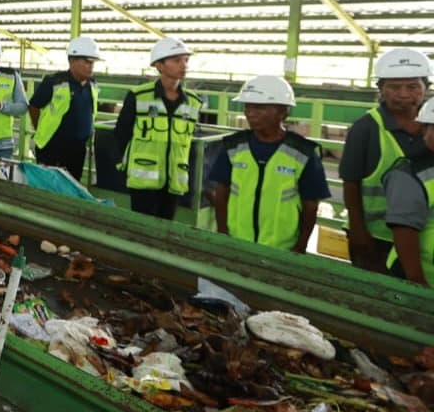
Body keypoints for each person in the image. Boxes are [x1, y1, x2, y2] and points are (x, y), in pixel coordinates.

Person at [209, 76, 330, 253]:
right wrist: (222, 232)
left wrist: (301, 246)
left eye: (259, 108)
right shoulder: (233, 146)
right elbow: (221, 193)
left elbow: (310, 206)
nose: (250, 113)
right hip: (236, 243)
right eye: (247, 107)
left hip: (282, 249)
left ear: (283, 112)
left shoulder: (303, 153)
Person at [341, 48, 431, 272]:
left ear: (426, 88)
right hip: (377, 237)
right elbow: (351, 184)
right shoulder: (366, 129)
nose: (403, 94)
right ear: (380, 89)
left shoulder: (431, 127)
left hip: (422, 235)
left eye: (412, 86)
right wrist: (359, 232)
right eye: (393, 87)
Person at [115, 37, 204, 220]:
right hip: (143, 179)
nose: (184, 65)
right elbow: (121, 133)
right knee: (142, 228)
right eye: (177, 60)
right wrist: (122, 166)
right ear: (159, 65)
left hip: (174, 180)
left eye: (186, 60)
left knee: (166, 229)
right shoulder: (138, 96)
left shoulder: (194, 102)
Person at [29, 36, 101, 181]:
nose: (91, 66)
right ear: (72, 60)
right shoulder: (54, 82)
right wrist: (40, 129)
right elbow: (34, 106)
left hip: (78, 149)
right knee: (49, 186)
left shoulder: (92, 84)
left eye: (93, 62)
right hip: (51, 148)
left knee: (72, 186)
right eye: (86, 61)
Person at [383, 97, 434, 286]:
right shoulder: (409, 174)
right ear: (424, 130)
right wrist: (418, 284)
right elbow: (404, 231)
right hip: (420, 277)